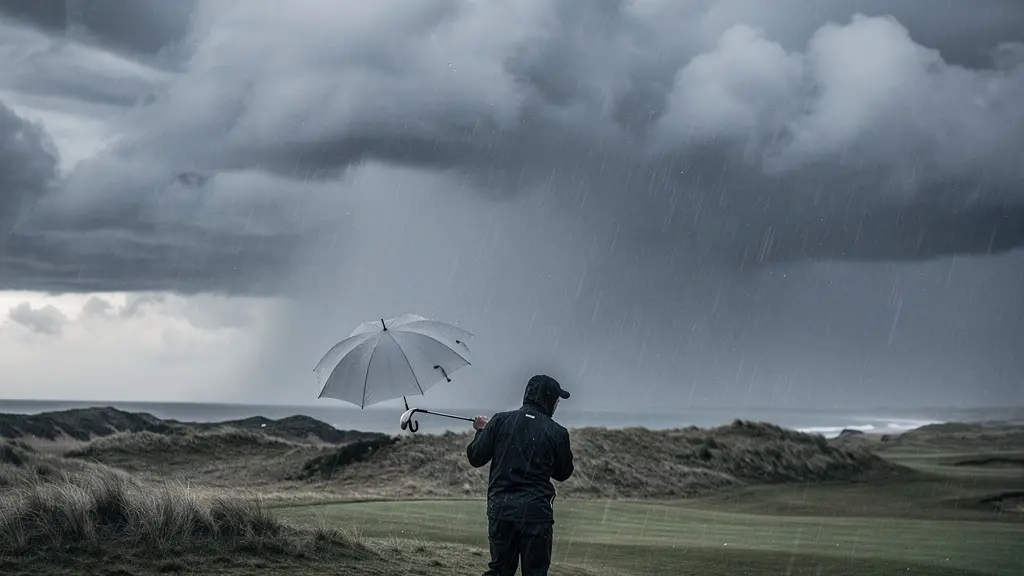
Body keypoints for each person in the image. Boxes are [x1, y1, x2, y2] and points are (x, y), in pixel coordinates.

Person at [466, 374, 575, 576]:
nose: (557, 404)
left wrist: (482, 430)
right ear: (548, 399)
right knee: (535, 573)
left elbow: (476, 457)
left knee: (499, 571)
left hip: (501, 510)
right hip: (536, 514)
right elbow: (563, 473)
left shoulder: (500, 421)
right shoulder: (558, 432)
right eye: (557, 400)